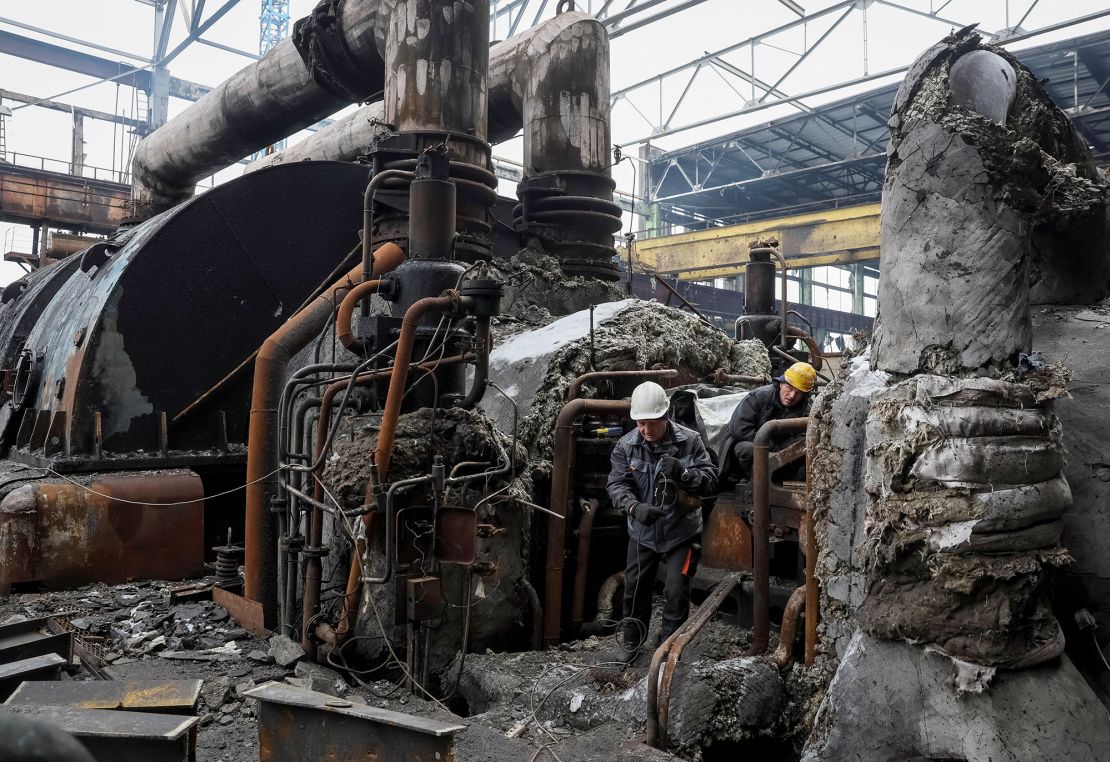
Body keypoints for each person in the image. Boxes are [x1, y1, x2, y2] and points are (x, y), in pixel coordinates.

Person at [607, 381, 718, 663]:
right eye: (640, 423)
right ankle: (633, 641)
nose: (645, 430)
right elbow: (617, 484)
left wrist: (683, 473)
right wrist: (634, 507)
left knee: (676, 591)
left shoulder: (689, 441)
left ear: (665, 416)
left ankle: (668, 647)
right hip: (642, 532)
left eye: (651, 423)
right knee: (635, 589)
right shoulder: (626, 445)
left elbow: (710, 480)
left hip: (681, 532)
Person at [721, 361, 816, 481]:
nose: (792, 396)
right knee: (748, 450)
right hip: (750, 442)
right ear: (781, 384)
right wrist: (771, 446)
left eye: (798, 393)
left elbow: (804, 436)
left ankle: (778, 480)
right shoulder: (758, 397)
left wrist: (785, 450)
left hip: (780, 448)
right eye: (789, 388)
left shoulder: (805, 409)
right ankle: (749, 480)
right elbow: (741, 429)